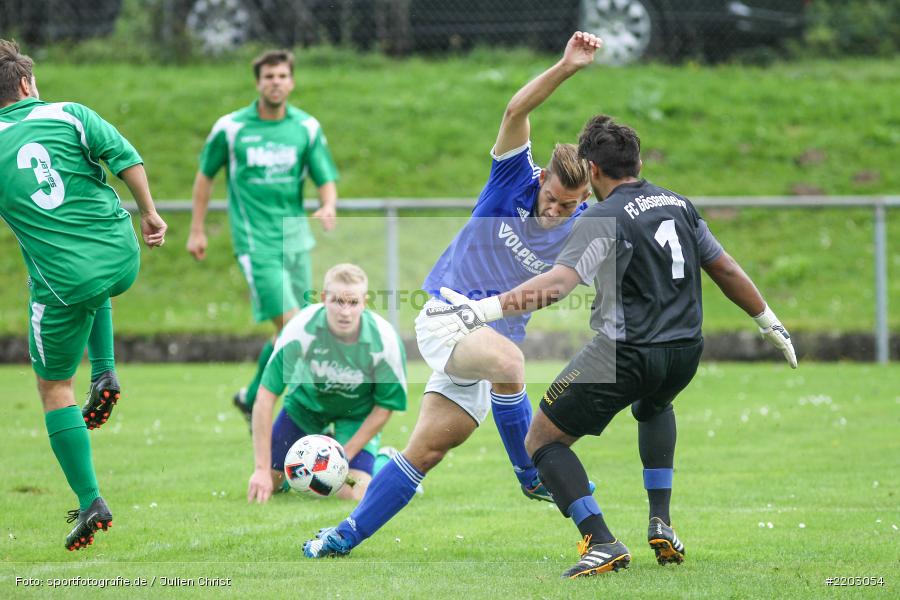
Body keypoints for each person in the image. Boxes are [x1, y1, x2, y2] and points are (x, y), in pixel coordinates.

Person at [425, 114, 798, 578]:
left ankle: (599, 541)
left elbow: (559, 284)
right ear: (638, 161)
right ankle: (660, 520)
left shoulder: (601, 215)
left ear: (592, 170)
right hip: (684, 351)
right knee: (656, 406)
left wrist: (483, 311)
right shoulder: (679, 204)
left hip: (626, 352)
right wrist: (768, 320)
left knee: (541, 438)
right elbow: (723, 268)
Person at [302, 31, 602, 559]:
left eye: (570, 203)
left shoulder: (580, 225)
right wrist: (566, 66)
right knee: (511, 361)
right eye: (552, 197)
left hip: (484, 343)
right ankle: (529, 472)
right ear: (542, 178)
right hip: (445, 316)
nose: (555, 209)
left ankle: (341, 536)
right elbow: (516, 109)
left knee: (425, 451)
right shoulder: (512, 176)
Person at [0, 39, 167, 550]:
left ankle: (91, 498)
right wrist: (150, 214)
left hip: (65, 285)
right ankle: (106, 369)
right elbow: (126, 157)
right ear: (27, 83)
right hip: (120, 256)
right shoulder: (70, 113)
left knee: (53, 389)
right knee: (87, 274)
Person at [186, 49, 339, 423]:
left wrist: (328, 205)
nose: (276, 82)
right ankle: (306, 414)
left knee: (297, 326)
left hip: (296, 241)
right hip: (256, 245)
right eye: (269, 76)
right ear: (258, 82)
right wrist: (197, 230)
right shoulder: (231, 128)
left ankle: (253, 396)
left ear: (292, 81)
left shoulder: (306, 128)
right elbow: (205, 176)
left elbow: (325, 178)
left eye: (282, 76)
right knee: (295, 325)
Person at [246, 264, 407, 503]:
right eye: (337, 301)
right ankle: (315, 440)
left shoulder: (385, 340)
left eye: (353, 303)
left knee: (351, 492)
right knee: (273, 484)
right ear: (323, 299)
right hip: (305, 408)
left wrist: (344, 455)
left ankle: (386, 460)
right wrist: (260, 469)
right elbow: (265, 397)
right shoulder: (300, 330)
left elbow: (385, 406)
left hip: (356, 414)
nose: (345, 312)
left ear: (364, 301)